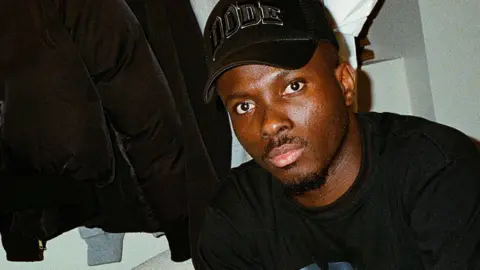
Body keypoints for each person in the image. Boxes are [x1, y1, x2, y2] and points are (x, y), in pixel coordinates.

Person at [197, 0, 480, 269]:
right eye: (244, 106)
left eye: (293, 86)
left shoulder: (438, 173)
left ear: (344, 83)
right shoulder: (233, 218)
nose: (269, 124)